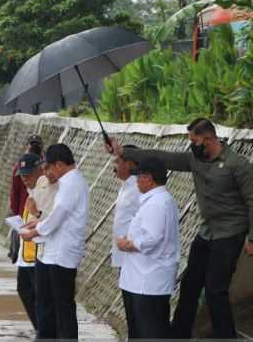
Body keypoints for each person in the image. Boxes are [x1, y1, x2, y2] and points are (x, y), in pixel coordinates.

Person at [107, 118, 253, 339]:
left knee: (215, 290)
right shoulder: (195, 160)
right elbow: (163, 158)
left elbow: (252, 200)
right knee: (189, 286)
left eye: (195, 140)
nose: (191, 145)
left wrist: (252, 238)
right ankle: (178, 336)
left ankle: (226, 337)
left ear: (209, 139)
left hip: (230, 232)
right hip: (207, 232)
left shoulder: (237, 165)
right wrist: (124, 151)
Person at [21, 143, 89, 341]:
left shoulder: (71, 183)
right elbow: (55, 218)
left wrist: (34, 231)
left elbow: (58, 217)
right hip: (53, 250)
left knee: (62, 307)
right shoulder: (68, 182)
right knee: (47, 304)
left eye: (49, 167)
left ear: (59, 164)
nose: (47, 172)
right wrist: (39, 223)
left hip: (62, 253)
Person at [115, 157, 180, 340]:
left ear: (149, 178)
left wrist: (128, 244)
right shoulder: (155, 200)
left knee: (150, 331)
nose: (136, 181)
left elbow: (152, 238)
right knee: (141, 330)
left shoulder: (157, 203)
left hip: (149, 280)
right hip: (141, 278)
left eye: (139, 177)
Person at [111, 145, 141, 339]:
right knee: (131, 312)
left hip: (135, 258)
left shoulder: (139, 188)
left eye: (117, 162)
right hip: (124, 258)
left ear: (130, 164)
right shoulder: (127, 186)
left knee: (137, 312)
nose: (114, 167)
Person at [15, 153, 45, 330]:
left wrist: (38, 214)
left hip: (39, 256)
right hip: (25, 255)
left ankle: (44, 331)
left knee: (41, 298)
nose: (25, 179)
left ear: (39, 171)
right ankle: (40, 329)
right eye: (23, 176)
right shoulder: (30, 192)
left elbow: (52, 220)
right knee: (25, 291)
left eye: (28, 175)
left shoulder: (46, 191)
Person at [10, 135, 44, 217]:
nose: (25, 180)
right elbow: (14, 191)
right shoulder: (20, 166)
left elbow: (14, 191)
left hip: (34, 213)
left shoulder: (44, 167)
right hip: (24, 211)